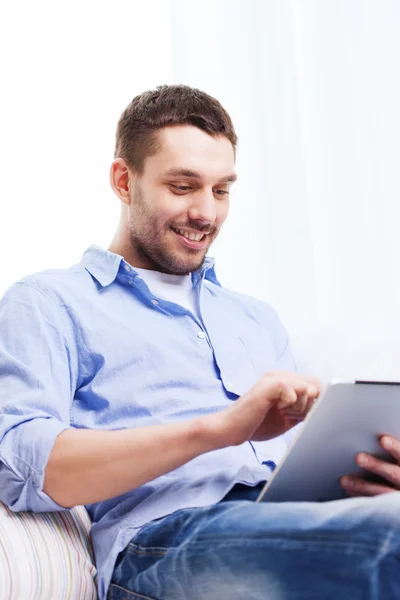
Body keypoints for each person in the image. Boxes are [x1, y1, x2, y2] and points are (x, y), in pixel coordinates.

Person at [0, 85, 400, 600]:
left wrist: (367, 483)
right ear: (124, 180)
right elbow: (24, 467)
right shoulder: (49, 302)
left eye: (221, 190)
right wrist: (218, 430)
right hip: (164, 546)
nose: (206, 213)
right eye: (183, 186)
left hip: (288, 521)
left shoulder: (255, 319)